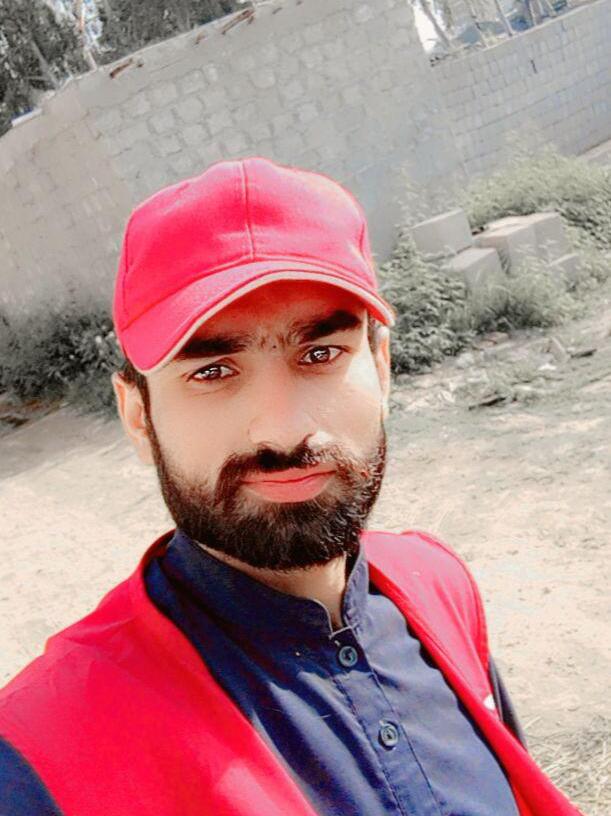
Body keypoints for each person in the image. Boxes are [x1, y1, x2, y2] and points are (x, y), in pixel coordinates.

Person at [0, 157, 583, 816]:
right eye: (213, 371)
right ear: (138, 415)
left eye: (320, 354)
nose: (282, 429)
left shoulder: (438, 586)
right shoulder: (38, 759)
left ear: (381, 368)